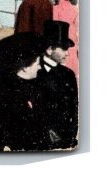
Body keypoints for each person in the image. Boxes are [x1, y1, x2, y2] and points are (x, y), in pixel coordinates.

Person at [0, 32, 53, 151]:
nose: (40, 67)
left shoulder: (26, 82)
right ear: (24, 66)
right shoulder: (2, 95)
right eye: (38, 63)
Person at [38, 20, 79, 149]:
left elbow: (74, 108)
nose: (67, 53)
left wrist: (71, 136)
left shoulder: (69, 74)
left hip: (66, 140)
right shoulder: (34, 72)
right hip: (42, 141)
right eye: (64, 49)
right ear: (50, 49)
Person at [50, 0, 79, 78]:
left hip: (60, 37)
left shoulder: (55, 9)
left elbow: (53, 24)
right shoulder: (75, 9)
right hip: (72, 38)